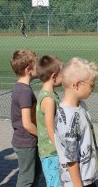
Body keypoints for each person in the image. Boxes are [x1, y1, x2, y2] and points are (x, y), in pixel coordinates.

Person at [54, 57, 98, 187]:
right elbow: (71, 159)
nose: (93, 88)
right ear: (77, 84)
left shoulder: (81, 105)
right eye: (92, 85)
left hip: (87, 178)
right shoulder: (68, 119)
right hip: (77, 182)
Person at [10, 49, 42, 187]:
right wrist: (44, 135)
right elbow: (27, 124)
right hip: (26, 142)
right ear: (29, 69)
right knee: (26, 179)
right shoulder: (24, 91)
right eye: (37, 65)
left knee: (34, 175)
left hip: (28, 141)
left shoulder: (21, 88)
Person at [36, 55, 63, 187]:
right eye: (61, 74)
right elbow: (50, 127)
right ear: (54, 76)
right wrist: (60, 149)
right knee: (55, 184)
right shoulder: (49, 100)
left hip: (51, 151)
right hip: (52, 152)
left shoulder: (48, 95)